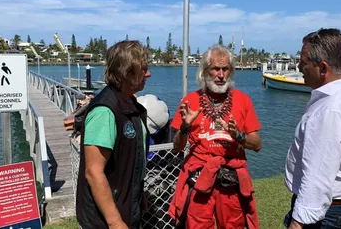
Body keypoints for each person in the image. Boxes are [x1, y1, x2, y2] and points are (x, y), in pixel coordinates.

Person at [168, 44, 262, 229]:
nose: (220, 75)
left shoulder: (243, 100)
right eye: (215, 69)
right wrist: (185, 127)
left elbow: (257, 144)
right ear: (205, 71)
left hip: (231, 180)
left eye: (225, 69)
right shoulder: (190, 101)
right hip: (199, 177)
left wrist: (238, 136)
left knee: (233, 225)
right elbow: (177, 147)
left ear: (231, 71)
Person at [284, 28, 341, 229]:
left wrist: (298, 222)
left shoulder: (330, 111)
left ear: (322, 68)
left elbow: (317, 175)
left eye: (303, 62)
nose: (298, 66)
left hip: (327, 211)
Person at [76, 40, 151, 229]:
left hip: (127, 206)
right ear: (126, 71)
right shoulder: (105, 111)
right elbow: (94, 172)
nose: (148, 74)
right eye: (143, 69)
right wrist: (115, 221)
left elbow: (132, 160)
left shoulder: (131, 106)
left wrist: (137, 196)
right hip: (104, 221)